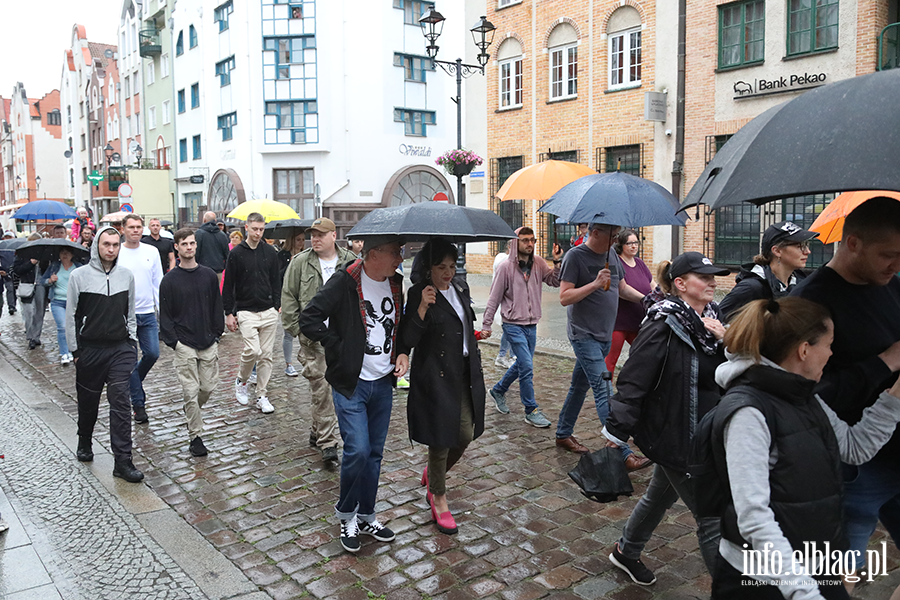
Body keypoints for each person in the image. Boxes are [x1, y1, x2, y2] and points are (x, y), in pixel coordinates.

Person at [707, 297, 900, 600]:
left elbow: (854, 447)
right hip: (765, 582)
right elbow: (754, 516)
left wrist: (896, 394)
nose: (832, 353)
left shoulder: (804, 395)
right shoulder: (749, 413)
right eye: (829, 344)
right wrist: (804, 591)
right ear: (804, 350)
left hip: (816, 567)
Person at [791, 196, 900, 590]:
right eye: (889, 254)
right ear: (852, 243)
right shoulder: (807, 303)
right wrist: (885, 362)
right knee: (830, 580)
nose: (897, 265)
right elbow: (806, 395)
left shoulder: (890, 284)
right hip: (855, 469)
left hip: (896, 451)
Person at [604, 251, 729, 585]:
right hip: (675, 432)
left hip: (706, 430)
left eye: (713, 277)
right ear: (680, 284)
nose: (712, 283)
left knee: (660, 492)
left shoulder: (715, 321)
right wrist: (616, 428)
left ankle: (625, 551)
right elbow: (635, 375)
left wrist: (725, 339)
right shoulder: (665, 322)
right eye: (704, 277)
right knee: (712, 517)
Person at [299, 236, 410, 553]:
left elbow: (398, 327)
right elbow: (309, 318)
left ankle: (367, 515)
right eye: (395, 253)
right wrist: (338, 344)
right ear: (374, 254)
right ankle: (346, 514)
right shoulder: (345, 281)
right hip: (352, 382)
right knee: (358, 450)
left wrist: (402, 352)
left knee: (374, 453)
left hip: (383, 381)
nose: (399, 259)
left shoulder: (397, 284)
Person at [401, 239, 485, 535]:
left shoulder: (460, 289)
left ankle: (433, 475)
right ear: (428, 268)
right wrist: (423, 307)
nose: (448, 273)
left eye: (451, 266)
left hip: (464, 372)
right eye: (441, 267)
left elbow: (459, 327)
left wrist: (475, 334)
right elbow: (408, 338)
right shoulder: (418, 294)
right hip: (434, 376)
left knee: (465, 434)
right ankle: (438, 497)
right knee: (440, 439)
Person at [555, 223, 649, 468]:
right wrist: (595, 284)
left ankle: (563, 433)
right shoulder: (575, 257)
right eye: (612, 235)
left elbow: (622, 289)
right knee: (603, 389)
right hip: (583, 334)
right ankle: (623, 451)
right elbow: (565, 297)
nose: (616, 239)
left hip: (604, 335)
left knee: (578, 386)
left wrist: (647, 299)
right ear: (595, 233)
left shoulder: (611, 257)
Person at [65, 226, 143, 483]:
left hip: (120, 348)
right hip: (90, 350)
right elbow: (72, 316)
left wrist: (132, 343)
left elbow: (130, 312)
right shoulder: (79, 276)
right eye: (106, 244)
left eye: (115, 245)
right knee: (89, 403)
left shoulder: (126, 276)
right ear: (97, 245)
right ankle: (84, 438)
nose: (111, 249)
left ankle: (123, 460)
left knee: (120, 402)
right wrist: (75, 351)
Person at [282, 217, 356, 463]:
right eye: (312, 235)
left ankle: (317, 430)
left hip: (343, 339)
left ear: (333, 236)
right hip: (314, 341)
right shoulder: (300, 263)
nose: (315, 239)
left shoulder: (351, 262)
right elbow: (289, 297)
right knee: (322, 390)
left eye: (320, 234)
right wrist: (299, 331)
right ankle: (328, 443)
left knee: (340, 390)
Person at [481, 227, 562, 428]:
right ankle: (531, 410)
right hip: (512, 324)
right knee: (526, 365)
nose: (530, 244)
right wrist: (486, 324)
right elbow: (494, 298)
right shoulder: (505, 268)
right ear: (516, 243)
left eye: (532, 240)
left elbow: (554, 281)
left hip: (532, 323)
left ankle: (498, 390)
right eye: (525, 240)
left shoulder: (539, 264)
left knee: (521, 364)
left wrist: (557, 262)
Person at [159, 228, 224, 457]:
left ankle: (191, 409)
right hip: (184, 343)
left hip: (208, 339)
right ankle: (195, 436)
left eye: (192, 243)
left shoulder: (207, 275)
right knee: (190, 390)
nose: (189, 247)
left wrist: (218, 332)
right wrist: (174, 342)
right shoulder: (169, 280)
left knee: (206, 388)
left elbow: (217, 305)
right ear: (176, 247)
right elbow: (165, 315)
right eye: (184, 244)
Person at [224, 212, 282, 415]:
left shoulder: (270, 252)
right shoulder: (237, 253)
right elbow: (228, 283)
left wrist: (277, 304)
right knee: (253, 350)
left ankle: (262, 395)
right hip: (246, 310)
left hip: (268, 310)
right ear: (246, 228)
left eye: (261, 229)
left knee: (266, 355)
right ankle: (241, 379)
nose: (258, 233)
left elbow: (276, 279)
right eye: (255, 229)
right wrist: (229, 312)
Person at [719, 221, 818, 322]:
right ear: (777, 251)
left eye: (806, 245)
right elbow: (718, 318)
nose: (807, 251)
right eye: (799, 246)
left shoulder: (800, 284)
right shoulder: (752, 287)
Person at [117, 214, 163, 424]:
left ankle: (132, 382)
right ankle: (139, 405)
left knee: (152, 353)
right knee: (129, 360)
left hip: (147, 313)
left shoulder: (151, 252)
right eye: (131, 227)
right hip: (126, 315)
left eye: (138, 227)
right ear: (123, 229)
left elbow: (157, 282)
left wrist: (161, 310)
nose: (135, 230)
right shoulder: (118, 252)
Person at [604, 229, 654, 377]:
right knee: (611, 359)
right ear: (621, 245)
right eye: (629, 243)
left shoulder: (640, 263)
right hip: (619, 321)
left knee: (646, 356)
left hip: (638, 320)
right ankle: (604, 393)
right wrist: (646, 299)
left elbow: (653, 286)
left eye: (636, 242)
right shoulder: (616, 262)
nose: (634, 246)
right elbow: (622, 289)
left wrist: (662, 297)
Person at [40, 247, 82, 365]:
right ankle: (64, 353)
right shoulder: (54, 266)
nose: (64, 255)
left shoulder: (78, 267)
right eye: (62, 253)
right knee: (62, 327)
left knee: (75, 327)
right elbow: (42, 281)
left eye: (67, 253)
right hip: (58, 301)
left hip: (74, 302)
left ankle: (74, 350)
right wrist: (50, 280)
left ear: (72, 254)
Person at [278, 229, 309, 378]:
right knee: (288, 332)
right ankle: (288, 364)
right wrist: (290, 262)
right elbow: (279, 277)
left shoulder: (307, 257)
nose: (301, 243)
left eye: (303, 240)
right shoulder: (282, 255)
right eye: (298, 240)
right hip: (288, 296)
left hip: (303, 297)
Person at [12, 233, 44, 349]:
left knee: (39, 312)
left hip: (41, 285)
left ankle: (36, 336)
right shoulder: (22, 254)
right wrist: (31, 263)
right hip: (27, 284)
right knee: (29, 312)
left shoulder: (44, 255)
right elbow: (17, 269)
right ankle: (30, 337)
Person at [491, 249, 515, 369]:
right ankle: (505, 356)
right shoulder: (502, 260)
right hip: (505, 303)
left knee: (510, 330)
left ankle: (509, 356)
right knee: (509, 330)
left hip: (512, 304)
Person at [194, 211, 230, 284]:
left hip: (202, 269)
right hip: (218, 269)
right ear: (215, 221)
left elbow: (196, 252)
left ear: (204, 220)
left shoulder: (199, 234)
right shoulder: (222, 235)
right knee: (216, 293)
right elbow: (227, 254)